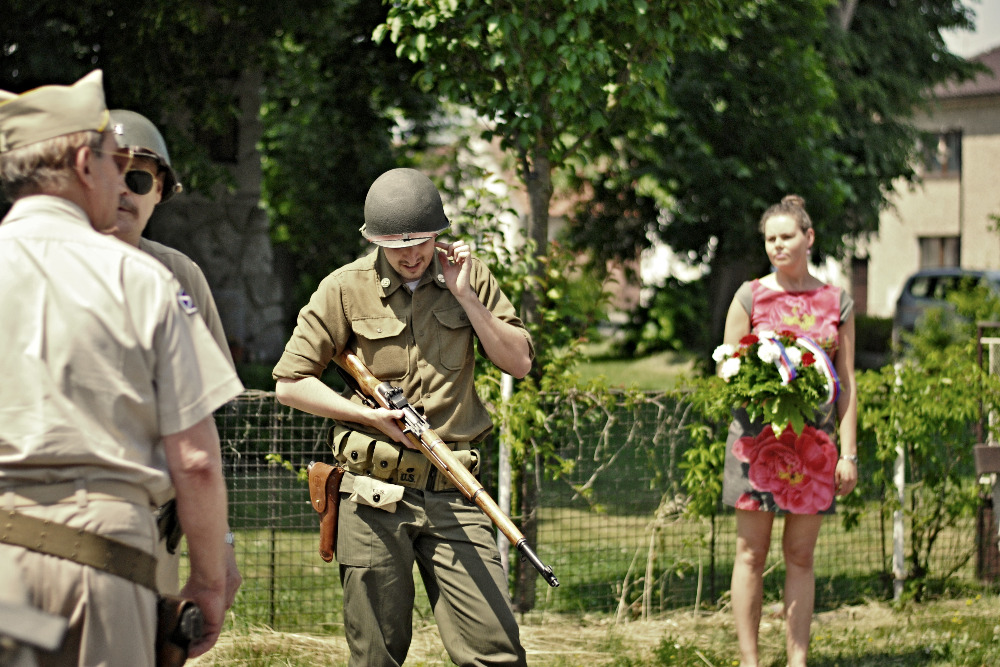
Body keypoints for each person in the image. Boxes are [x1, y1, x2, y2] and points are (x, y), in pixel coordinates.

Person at [0, 70, 244, 665]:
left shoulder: (168, 270)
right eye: (115, 162)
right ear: (86, 164)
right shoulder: (144, 280)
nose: (121, 182)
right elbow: (196, 459)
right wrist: (210, 579)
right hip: (104, 560)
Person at [272, 167, 533, 667]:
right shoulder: (344, 288)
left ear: (439, 233)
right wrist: (367, 417)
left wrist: (465, 295)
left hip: (455, 489)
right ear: (375, 240)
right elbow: (290, 383)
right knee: (376, 657)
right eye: (396, 246)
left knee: (496, 652)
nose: (411, 256)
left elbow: (518, 362)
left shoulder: (469, 276)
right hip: (374, 493)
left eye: (421, 242)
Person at [101, 108, 239, 599]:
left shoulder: (180, 277)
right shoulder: (37, 266)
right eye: (110, 171)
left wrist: (220, 543)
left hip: (150, 526)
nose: (123, 190)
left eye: (138, 179)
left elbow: (202, 429)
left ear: (159, 191)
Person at [719, 194, 858, 667]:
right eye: (770, 239)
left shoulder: (836, 300)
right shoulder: (750, 295)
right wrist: (762, 378)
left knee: (800, 556)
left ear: (808, 237)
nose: (777, 245)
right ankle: (750, 661)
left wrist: (848, 453)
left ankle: (798, 661)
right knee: (750, 554)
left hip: (814, 447)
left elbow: (847, 382)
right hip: (756, 444)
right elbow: (726, 366)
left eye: (786, 236)